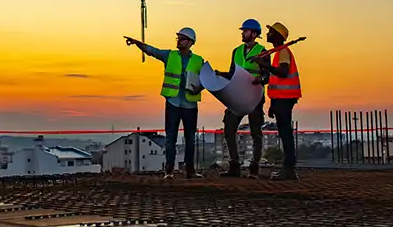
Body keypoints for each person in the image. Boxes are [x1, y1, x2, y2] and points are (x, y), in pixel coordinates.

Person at [124, 27, 205, 180]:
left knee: (190, 139)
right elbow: (152, 51)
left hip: (189, 105)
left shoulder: (198, 61)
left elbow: (208, 79)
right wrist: (137, 43)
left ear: (190, 42)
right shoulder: (170, 55)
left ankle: (190, 171)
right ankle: (169, 171)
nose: (179, 41)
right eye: (178, 38)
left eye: (182, 38)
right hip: (173, 102)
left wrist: (199, 87)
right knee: (170, 139)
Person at [214, 19, 271, 179]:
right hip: (238, 95)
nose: (242, 33)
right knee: (229, 129)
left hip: (254, 97)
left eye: (245, 31)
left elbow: (268, 74)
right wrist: (222, 74)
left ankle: (254, 168)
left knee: (256, 133)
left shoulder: (263, 52)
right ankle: (235, 166)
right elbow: (233, 72)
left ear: (254, 34)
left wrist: (261, 79)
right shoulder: (236, 51)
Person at [250, 22, 301, 180]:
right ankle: (288, 168)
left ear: (277, 36)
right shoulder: (279, 53)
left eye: (270, 32)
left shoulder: (283, 52)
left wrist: (263, 64)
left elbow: (283, 73)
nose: (267, 34)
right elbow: (276, 81)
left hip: (285, 99)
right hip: (281, 99)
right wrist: (273, 104)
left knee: (286, 133)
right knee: (284, 133)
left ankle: (289, 168)